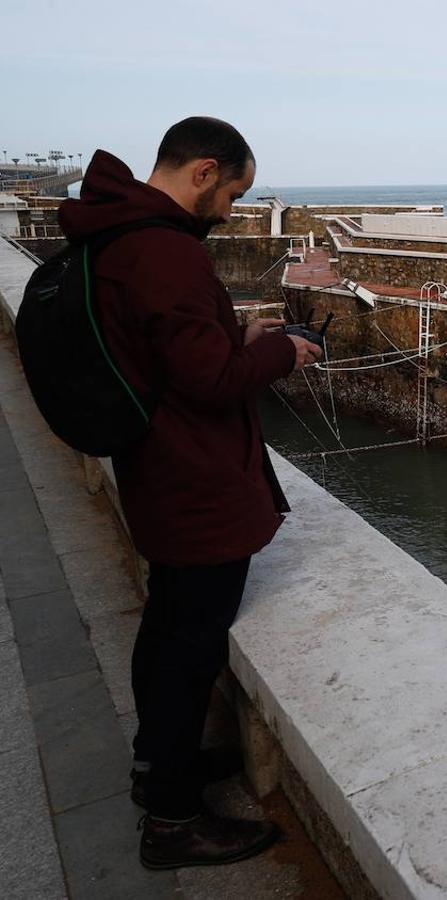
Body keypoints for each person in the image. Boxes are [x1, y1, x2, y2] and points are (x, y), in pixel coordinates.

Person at [57, 117, 322, 869]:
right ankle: (172, 822)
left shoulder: (121, 236)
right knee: (187, 648)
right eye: (234, 193)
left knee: (168, 630)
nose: (234, 211)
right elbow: (208, 383)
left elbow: (166, 354)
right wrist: (277, 351)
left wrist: (229, 336)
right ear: (203, 172)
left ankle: (158, 767)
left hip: (159, 474)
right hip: (194, 484)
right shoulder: (164, 251)